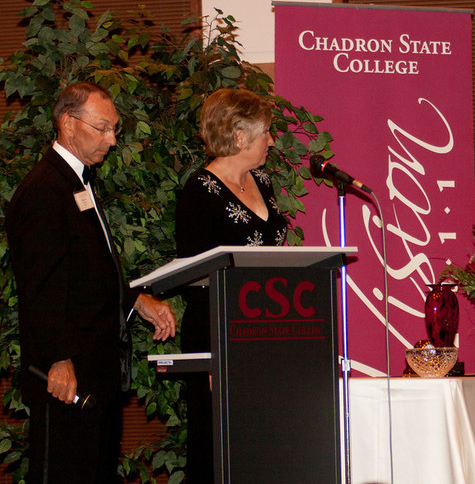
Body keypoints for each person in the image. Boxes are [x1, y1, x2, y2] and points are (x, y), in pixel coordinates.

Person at [6, 82, 177, 483]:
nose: (112, 140)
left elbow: (91, 269)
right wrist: (58, 358)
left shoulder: (78, 181)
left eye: (114, 129)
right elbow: (41, 285)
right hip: (66, 375)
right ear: (68, 123)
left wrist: (135, 300)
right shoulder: (43, 190)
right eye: (103, 128)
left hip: (95, 368)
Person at [175, 88, 288, 483]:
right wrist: (213, 356)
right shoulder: (199, 192)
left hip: (266, 333)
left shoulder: (264, 181)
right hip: (218, 335)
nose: (271, 140)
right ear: (239, 135)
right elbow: (194, 280)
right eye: (266, 133)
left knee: (264, 448)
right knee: (218, 448)